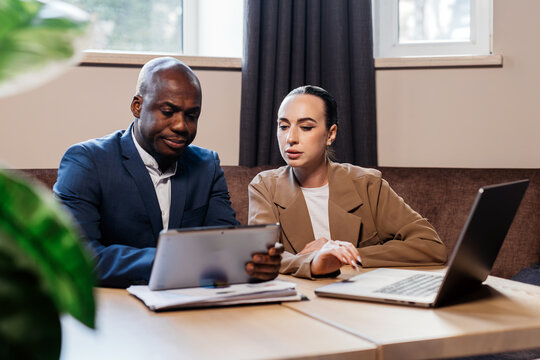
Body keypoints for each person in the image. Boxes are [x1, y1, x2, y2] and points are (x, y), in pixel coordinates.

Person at [54, 57, 282, 288]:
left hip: (194, 304)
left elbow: (223, 242)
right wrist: (172, 261)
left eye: (191, 116)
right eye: (168, 111)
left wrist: (253, 264)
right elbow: (77, 257)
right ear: (137, 106)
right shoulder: (87, 161)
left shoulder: (207, 166)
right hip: (119, 305)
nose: (181, 126)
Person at [248, 85, 446, 279]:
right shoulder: (264, 186)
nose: (290, 138)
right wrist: (314, 262)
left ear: (331, 134)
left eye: (306, 127)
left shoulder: (367, 184)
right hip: (298, 300)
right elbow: (261, 256)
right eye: (283, 126)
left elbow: (430, 245)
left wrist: (344, 253)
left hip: (359, 300)